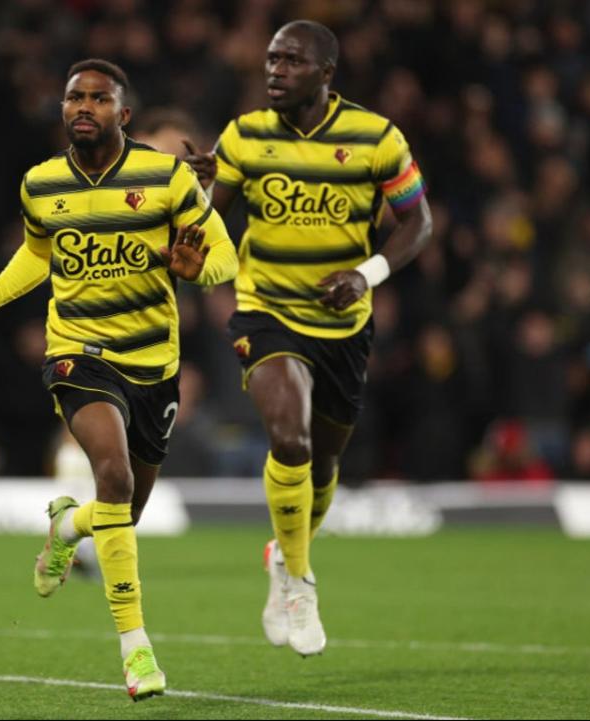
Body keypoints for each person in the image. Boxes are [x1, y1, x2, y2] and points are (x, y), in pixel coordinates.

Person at [0, 59, 237, 700]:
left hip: (153, 364)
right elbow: (38, 253)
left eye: (98, 98)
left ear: (124, 113)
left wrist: (199, 271)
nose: (84, 106)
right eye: (73, 97)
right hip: (77, 353)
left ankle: (69, 526)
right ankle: (137, 652)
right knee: (111, 476)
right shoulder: (40, 184)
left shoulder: (165, 177)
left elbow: (222, 252)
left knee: (125, 511)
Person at [184, 21, 432, 657]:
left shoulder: (377, 138)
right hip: (266, 309)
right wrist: (198, 190)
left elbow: (418, 223)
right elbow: (211, 220)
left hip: (344, 324)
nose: (275, 71)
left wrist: (366, 272)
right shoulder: (243, 135)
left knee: (322, 468)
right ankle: (300, 581)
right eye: (271, 59)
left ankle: (282, 555)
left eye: (291, 62)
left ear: (326, 73)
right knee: (288, 439)